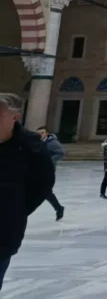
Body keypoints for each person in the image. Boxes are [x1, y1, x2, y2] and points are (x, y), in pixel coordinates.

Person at [0, 94, 55, 291]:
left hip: (4, 231)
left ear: (15, 117)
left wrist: (15, 209)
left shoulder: (30, 147)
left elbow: (42, 184)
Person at [37, 127, 65, 220]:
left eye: (42, 133)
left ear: (47, 133)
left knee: (46, 191)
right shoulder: (37, 142)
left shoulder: (52, 142)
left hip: (47, 171)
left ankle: (59, 208)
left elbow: (61, 153)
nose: (40, 134)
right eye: (39, 133)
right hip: (36, 170)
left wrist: (49, 161)